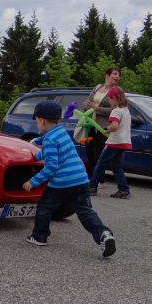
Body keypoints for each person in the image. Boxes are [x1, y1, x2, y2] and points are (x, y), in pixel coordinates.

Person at [23, 101, 116, 258]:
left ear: (42, 120)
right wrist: (36, 154)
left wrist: (33, 181)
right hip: (80, 179)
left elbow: (51, 166)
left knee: (45, 207)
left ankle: (39, 236)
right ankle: (104, 234)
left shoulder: (49, 140)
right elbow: (53, 151)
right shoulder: (61, 132)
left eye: (36, 121)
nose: (37, 125)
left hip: (61, 182)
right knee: (86, 212)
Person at [90, 86, 132, 199]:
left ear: (114, 98)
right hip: (124, 142)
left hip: (115, 142)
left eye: (109, 99)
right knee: (116, 165)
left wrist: (106, 130)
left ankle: (92, 187)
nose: (109, 101)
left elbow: (114, 126)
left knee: (100, 163)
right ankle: (124, 190)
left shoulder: (116, 111)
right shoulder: (126, 110)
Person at [84, 67, 121, 179]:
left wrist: (96, 108)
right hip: (90, 125)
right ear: (107, 75)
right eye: (115, 74)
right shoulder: (98, 87)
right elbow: (88, 102)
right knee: (88, 151)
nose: (117, 77)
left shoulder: (116, 91)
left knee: (98, 154)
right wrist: (86, 108)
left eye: (118, 75)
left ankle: (98, 179)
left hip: (103, 127)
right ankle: (92, 178)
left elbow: (114, 110)